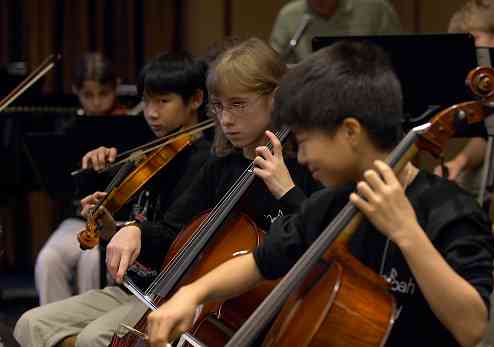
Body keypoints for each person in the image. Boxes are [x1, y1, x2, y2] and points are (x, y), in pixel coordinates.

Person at [146, 41, 494, 347]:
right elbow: (258, 262)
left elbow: (472, 328)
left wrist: (408, 234)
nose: (303, 155)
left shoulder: (448, 209)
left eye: (306, 140)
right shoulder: (331, 205)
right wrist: (193, 293)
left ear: (350, 132)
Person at [15, 38, 320, 347]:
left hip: (250, 313)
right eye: (219, 107)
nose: (226, 119)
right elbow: (172, 231)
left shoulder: (308, 166)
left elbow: (324, 246)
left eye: (238, 105)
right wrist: (133, 231)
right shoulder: (220, 166)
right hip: (171, 290)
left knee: (93, 339)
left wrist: (287, 191)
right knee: (28, 323)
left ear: (275, 99)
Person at [14, 51, 212, 347]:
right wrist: (109, 226)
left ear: (195, 100)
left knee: (91, 339)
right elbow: (130, 224)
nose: (152, 112)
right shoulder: (149, 152)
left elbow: (173, 237)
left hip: (163, 292)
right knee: (29, 322)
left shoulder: (204, 163)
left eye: (163, 101)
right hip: (131, 287)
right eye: (146, 101)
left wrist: (131, 231)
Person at [434, 2, 494, 346]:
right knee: (460, 186)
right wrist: (459, 163)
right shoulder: (493, 87)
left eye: (472, 42)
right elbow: (493, 137)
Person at [34, 52, 127, 306]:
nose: (96, 103)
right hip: (79, 220)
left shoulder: (131, 125)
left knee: (92, 260)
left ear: (116, 87)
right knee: (49, 258)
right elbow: (59, 185)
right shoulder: (68, 128)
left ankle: (88, 333)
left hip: (115, 222)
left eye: (103, 94)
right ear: (76, 91)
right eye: (88, 95)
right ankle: (55, 335)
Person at [270, 0, 401, 63]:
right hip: (310, 100)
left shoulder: (376, 9)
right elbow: (274, 67)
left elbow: (398, 57)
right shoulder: (288, 15)